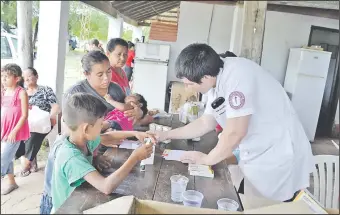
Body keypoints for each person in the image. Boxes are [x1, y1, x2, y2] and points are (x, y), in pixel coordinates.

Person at [150, 43, 314, 202]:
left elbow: (236, 131)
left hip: (278, 151)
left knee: (279, 206)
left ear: (205, 77)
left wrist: (207, 159)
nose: (187, 89)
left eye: (189, 84)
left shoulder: (238, 75)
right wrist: (166, 134)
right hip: (256, 151)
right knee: (251, 201)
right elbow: (206, 122)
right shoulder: (215, 80)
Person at [44, 93, 154, 213]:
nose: (103, 126)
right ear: (86, 128)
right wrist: (135, 157)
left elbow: (106, 137)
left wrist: (135, 134)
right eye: (100, 124)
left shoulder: (82, 139)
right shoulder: (71, 156)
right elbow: (106, 187)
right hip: (68, 209)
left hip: (80, 201)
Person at [64, 51, 144, 153]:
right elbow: (69, 133)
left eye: (109, 71)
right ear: (86, 74)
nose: (106, 78)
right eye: (100, 74)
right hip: (82, 151)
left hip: (113, 148)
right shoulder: (74, 93)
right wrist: (100, 140)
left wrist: (138, 113)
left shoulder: (115, 89)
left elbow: (124, 115)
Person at [15, 67, 60, 177]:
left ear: (36, 76)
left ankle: (26, 164)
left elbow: (55, 106)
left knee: (35, 134)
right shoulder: (22, 92)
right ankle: (28, 160)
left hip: (44, 120)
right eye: (24, 77)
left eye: (29, 75)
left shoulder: (45, 90)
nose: (26, 78)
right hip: (27, 121)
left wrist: (52, 117)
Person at [1, 64, 30, 195]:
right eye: (2, 76)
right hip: (4, 128)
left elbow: (24, 115)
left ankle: (8, 179)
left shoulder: (21, 92)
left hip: (15, 131)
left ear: (17, 78)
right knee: (7, 157)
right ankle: (12, 182)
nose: (3, 79)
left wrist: (14, 131)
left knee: (4, 157)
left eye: (6, 77)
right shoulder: (4, 91)